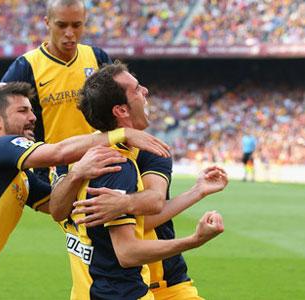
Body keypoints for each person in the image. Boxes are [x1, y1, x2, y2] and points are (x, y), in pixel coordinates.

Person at [0, 82, 170, 300]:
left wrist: (89, 183)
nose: (33, 117)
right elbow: (58, 152)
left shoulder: (20, 176)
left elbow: (60, 207)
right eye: (22, 111)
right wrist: (121, 134)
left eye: (31, 110)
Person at [49, 62, 226, 299]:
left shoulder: (148, 151)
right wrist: (195, 239)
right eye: (136, 89)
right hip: (127, 284)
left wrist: (197, 191)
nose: (145, 91)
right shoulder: (106, 162)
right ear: (120, 111)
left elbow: (153, 205)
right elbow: (58, 210)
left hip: (159, 279)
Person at [0, 0, 112, 181]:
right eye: (61, 25)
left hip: (98, 159)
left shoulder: (97, 58)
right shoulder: (26, 66)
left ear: (84, 21)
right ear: (47, 22)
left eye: (76, 25)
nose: (69, 33)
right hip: (53, 171)